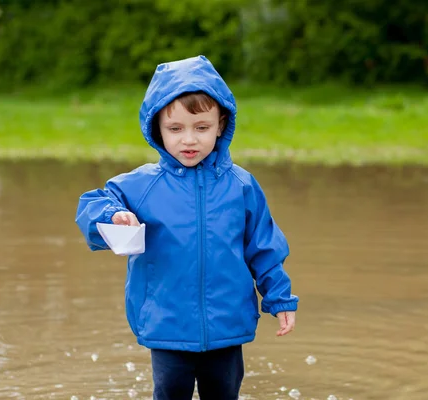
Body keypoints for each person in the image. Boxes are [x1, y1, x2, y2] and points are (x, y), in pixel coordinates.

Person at [75, 55, 298, 400]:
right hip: (166, 324)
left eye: (201, 128)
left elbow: (264, 246)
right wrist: (113, 216)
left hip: (227, 325)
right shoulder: (142, 184)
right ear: (157, 129)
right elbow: (92, 204)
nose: (188, 140)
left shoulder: (241, 185)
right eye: (175, 129)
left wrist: (279, 297)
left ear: (221, 124)